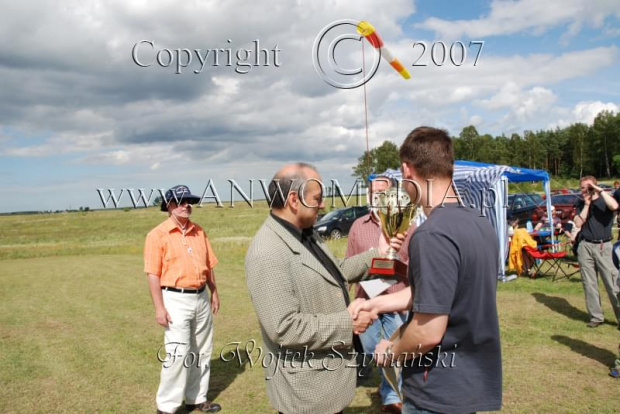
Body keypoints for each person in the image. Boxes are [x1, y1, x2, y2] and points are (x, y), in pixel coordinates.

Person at [352, 127, 502, 413]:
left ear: (407, 170)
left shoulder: (432, 234)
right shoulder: (479, 224)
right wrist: (374, 303)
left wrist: (391, 352)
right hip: (467, 384)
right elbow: (435, 292)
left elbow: (429, 332)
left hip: (436, 390)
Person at [245, 162, 403, 414]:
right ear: (294, 200)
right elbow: (283, 328)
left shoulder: (304, 233)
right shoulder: (268, 253)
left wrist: (381, 255)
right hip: (306, 395)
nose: (323, 205)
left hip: (326, 385)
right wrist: (348, 324)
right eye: (317, 199)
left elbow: (335, 270)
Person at [144, 185, 221, 414]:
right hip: (175, 299)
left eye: (190, 201)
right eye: (181, 201)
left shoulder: (199, 231)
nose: (187, 205)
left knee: (202, 351)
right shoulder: (157, 235)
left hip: (201, 297)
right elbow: (153, 274)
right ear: (169, 205)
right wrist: (159, 308)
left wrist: (214, 291)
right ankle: (166, 408)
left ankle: (196, 398)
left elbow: (208, 265)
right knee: (178, 353)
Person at [346, 175, 414, 414]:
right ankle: (390, 386)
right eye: (374, 191)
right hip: (366, 301)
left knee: (395, 350)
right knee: (373, 350)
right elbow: (349, 266)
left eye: (383, 191)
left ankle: (391, 397)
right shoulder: (357, 227)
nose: (378, 196)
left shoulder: (408, 226)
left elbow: (415, 269)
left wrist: (396, 263)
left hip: (398, 300)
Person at [574, 176, 620, 328]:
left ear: (594, 186)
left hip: (603, 246)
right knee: (589, 283)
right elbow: (578, 222)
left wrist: (600, 190)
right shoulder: (581, 203)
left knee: (612, 284)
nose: (583, 191)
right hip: (585, 246)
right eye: (581, 188)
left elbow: (614, 206)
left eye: (586, 187)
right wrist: (587, 204)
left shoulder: (604, 200)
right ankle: (596, 317)